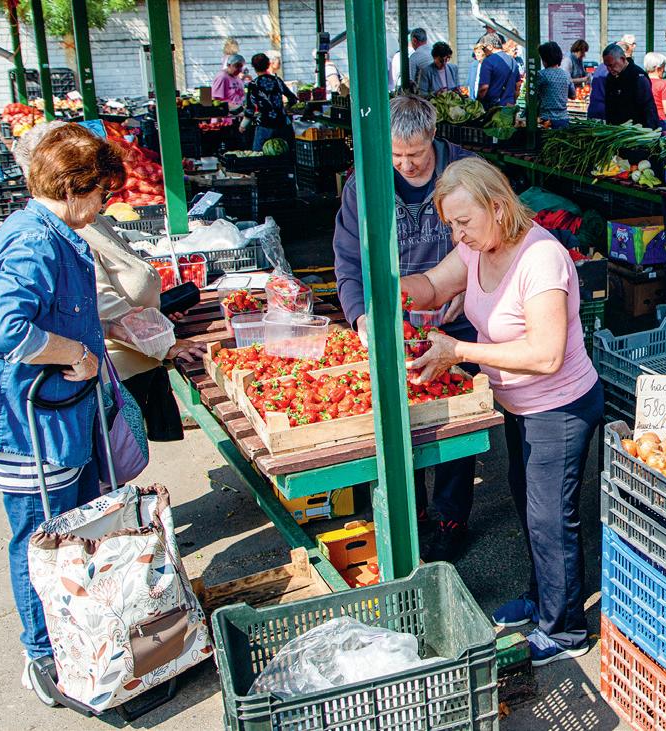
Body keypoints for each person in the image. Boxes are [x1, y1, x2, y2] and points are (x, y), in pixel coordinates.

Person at [400, 156, 603, 666]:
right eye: (451, 225)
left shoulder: (541, 259)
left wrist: (459, 351)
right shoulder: (476, 248)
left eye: (463, 222)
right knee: (530, 507)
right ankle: (542, 599)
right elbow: (432, 286)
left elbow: (546, 354)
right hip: (520, 406)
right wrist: (387, 288)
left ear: (496, 206)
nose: (458, 235)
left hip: (559, 408)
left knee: (551, 518)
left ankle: (566, 631)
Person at [0, 124, 124, 693]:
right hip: (27, 429)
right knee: (41, 542)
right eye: (101, 191)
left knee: (69, 531)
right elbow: (3, 328)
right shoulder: (34, 243)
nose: (105, 203)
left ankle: (75, 634)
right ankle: (42, 657)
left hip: (55, 423)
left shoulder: (51, 232)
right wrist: (74, 352)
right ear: (74, 187)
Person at [333, 95, 478, 562]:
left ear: (433, 136)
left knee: (456, 417)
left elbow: (499, 238)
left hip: (457, 320)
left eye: (414, 154)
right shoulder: (364, 185)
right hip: (395, 321)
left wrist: (472, 286)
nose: (406, 164)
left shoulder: (468, 173)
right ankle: (410, 513)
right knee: (401, 417)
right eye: (395, 155)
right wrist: (362, 316)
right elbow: (349, 261)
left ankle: (451, 517)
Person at [13, 121, 207, 441]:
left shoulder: (81, 221)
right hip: (105, 372)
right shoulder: (54, 236)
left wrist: (154, 315)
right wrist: (163, 343)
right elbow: (10, 331)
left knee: (117, 460)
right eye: (101, 189)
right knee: (108, 457)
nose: (104, 200)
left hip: (130, 359)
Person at [242, 52, 298, 152]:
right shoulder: (277, 80)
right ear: (268, 64)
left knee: (260, 155)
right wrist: (284, 109)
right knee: (285, 153)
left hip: (264, 125)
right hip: (282, 123)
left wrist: (243, 125)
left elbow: (250, 109)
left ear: (254, 67)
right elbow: (293, 98)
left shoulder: (253, 84)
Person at [602, 44, 660, 129]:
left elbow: (648, 107)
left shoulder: (638, 76)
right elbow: (609, 107)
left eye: (611, 65)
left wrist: (650, 129)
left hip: (637, 130)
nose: (609, 69)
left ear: (622, 59)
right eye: (606, 66)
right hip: (616, 130)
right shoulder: (610, 78)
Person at [537, 42, 575, 129]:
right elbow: (573, 95)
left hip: (546, 121)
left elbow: (533, 96)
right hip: (563, 120)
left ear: (545, 59)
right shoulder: (566, 75)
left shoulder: (541, 75)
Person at [477, 34, 521, 108]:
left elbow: (484, 87)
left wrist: (478, 102)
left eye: (483, 48)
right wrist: (512, 101)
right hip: (509, 106)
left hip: (493, 107)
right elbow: (518, 85)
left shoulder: (488, 61)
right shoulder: (513, 60)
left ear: (490, 47)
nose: (483, 51)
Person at [644, 51, 666, 125]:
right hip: (661, 120)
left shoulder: (642, 82)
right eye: (663, 67)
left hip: (646, 118)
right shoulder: (663, 85)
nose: (664, 70)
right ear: (658, 68)